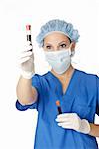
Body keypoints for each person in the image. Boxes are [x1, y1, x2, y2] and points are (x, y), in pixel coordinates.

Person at [16, 19, 99, 149]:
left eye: (62, 45)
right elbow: (25, 99)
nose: (56, 52)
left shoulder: (92, 83)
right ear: (43, 49)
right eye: (49, 47)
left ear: (72, 46)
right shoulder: (41, 83)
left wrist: (85, 126)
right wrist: (26, 74)